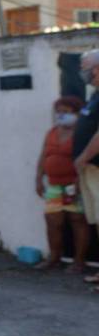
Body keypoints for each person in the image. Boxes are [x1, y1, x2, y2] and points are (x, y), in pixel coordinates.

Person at [36, 96, 88, 272]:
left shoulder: (81, 133)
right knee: (52, 220)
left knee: (77, 221)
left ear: (76, 114)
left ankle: (79, 262)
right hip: (54, 185)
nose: (60, 115)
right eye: (58, 111)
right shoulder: (51, 132)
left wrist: (80, 182)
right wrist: (38, 178)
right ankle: (54, 257)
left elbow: (85, 159)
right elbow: (44, 156)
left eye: (65, 112)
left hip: (72, 185)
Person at [72, 49, 99, 284]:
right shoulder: (95, 96)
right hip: (91, 169)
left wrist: (83, 157)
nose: (82, 71)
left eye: (85, 66)